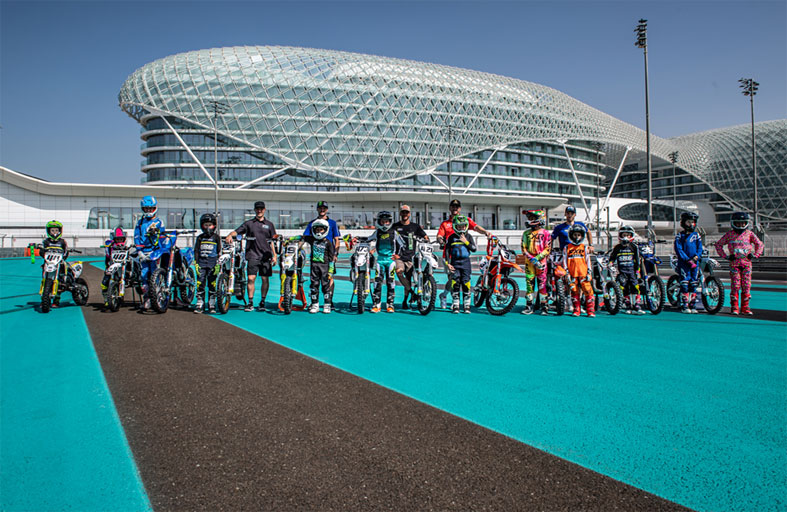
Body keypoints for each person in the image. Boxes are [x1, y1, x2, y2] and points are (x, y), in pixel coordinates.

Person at [436, 199, 491, 308]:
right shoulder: (445, 224)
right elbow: (439, 236)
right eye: (453, 206)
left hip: (462, 256)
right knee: (453, 279)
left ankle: (445, 295)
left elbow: (476, 227)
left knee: (461, 279)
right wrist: (441, 241)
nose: (454, 208)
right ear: (450, 208)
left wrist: (486, 232)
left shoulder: (465, 220)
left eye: (457, 207)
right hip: (449, 256)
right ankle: (452, 300)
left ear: (460, 208)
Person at [225, 201, 277, 312]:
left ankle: (262, 301)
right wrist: (229, 235)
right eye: (257, 209)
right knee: (251, 278)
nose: (259, 211)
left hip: (266, 256)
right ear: (254, 210)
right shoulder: (249, 224)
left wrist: (275, 255)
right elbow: (237, 231)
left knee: (265, 279)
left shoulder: (270, 224)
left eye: (261, 209)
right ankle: (250, 302)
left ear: (264, 210)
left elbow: (272, 241)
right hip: (252, 255)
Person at [714, 211, 764, 315]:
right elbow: (718, 245)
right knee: (735, 285)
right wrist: (726, 256)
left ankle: (745, 307)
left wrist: (755, 255)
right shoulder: (729, 234)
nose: (740, 225)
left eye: (743, 223)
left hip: (747, 264)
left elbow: (760, 244)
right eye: (738, 223)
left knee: (746, 285)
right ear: (733, 223)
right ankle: (734, 307)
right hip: (734, 264)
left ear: (746, 223)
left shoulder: (749, 234)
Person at [303, 201, 341, 309]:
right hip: (316, 257)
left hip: (328, 256)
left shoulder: (332, 223)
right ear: (317, 209)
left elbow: (337, 240)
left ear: (327, 209)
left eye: (324, 208)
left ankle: (329, 301)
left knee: (329, 278)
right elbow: (305, 237)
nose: (322, 210)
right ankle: (314, 302)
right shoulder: (312, 223)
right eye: (320, 208)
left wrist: (335, 254)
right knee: (314, 281)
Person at [392, 205, 428, 309]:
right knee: (399, 272)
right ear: (400, 213)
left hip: (411, 257)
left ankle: (405, 300)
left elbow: (425, 237)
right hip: (399, 257)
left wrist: (426, 240)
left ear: (409, 214)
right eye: (403, 212)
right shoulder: (395, 226)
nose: (405, 214)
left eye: (406, 212)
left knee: (408, 279)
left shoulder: (415, 226)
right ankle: (413, 293)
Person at [368, 211, 404, 313]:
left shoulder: (394, 232)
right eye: (383, 221)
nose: (384, 224)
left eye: (387, 221)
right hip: (380, 261)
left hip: (390, 261)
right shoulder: (377, 232)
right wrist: (357, 239)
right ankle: (376, 304)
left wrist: (398, 255)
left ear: (390, 222)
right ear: (379, 222)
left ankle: (390, 304)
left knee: (391, 282)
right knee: (377, 282)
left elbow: (402, 244)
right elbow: (368, 239)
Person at [134, 195, 165, 310]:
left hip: (155, 251)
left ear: (155, 208)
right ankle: (147, 298)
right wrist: (139, 251)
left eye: (150, 208)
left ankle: (157, 297)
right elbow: (137, 236)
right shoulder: (140, 222)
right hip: (143, 252)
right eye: (146, 209)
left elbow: (162, 236)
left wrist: (156, 233)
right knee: (144, 275)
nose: (148, 211)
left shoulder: (159, 222)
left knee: (155, 274)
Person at [520, 209, 552, 315]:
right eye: (529, 218)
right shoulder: (526, 233)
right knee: (529, 284)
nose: (529, 220)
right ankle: (529, 305)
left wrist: (537, 258)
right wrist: (531, 258)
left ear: (540, 219)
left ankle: (544, 307)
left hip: (541, 262)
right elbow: (523, 248)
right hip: (529, 262)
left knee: (542, 284)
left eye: (532, 218)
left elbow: (548, 248)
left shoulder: (546, 233)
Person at [302, 219, 336, 314]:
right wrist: (289, 239)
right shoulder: (312, 240)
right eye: (317, 230)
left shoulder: (328, 243)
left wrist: (330, 271)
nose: (319, 232)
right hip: (314, 266)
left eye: (321, 230)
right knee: (314, 285)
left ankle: (327, 304)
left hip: (325, 267)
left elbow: (331, 259)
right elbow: (302, 237)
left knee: (325, 286)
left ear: (325, 230)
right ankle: (314, 304)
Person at [609, 225, 645, 314]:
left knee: (635, 287)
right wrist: (611, 264)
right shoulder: (617, 247)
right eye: (624, 235)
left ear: (631, 236)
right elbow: (612, 257)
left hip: (632, 271)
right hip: (622, 271)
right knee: (624, 287)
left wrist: (637, 270)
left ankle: (637, 305)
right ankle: (628, 305)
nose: (626, 237)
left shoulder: (634, 247)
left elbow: (637, 260)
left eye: (628, 235)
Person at [445, 215, 477, 314]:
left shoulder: (469, 236)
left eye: (463, 226)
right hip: (455, 263)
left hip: (466, 263)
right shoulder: (451, 237)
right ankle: (456, 305)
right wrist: (448, 263)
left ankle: (467, 305)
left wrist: (466, 242)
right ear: (455, 226)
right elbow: (447, 251)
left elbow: (474, 249)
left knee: (466, 283)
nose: (461, 228)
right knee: (455, 283)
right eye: (459, 226)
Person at [563, 224, 595, 318]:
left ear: (582, 236)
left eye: (579, 235)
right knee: (574, 291)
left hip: (583, 274)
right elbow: (565, 261)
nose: (577, 237)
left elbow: (588, 261)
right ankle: (576, 310)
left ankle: (590, 311)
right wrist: (567, 273)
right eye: (575, 235)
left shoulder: (584, 247)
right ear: (571, 235)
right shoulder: (567, 248)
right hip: (572, 274)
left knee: (588, 291)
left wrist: (589, 272)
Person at [674, 211, 703, 314]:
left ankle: (693, 304)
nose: (691, 224)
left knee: (694, 284)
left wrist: (696, 257)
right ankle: (684, 305)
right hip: (684, 263)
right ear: (683, 223)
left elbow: (700, 248)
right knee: (685, 283)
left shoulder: (696, 235)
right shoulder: (680, 236)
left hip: (695, 262)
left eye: (693, 222)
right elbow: (678, 249)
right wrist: (686, 259)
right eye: (688, 222)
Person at [194, 213, 221, 314]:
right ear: (202, 226)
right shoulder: (200, 237)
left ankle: (211, 303)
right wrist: (196, 263)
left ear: (214, 225)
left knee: (212, 283)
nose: (208, 227)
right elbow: (196, 251)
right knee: (200, 283)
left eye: (210, 225)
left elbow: (219, 251)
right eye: (206, 225)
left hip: (212, 263)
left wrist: (218, 264)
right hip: (201, 263)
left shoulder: (216, 237)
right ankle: (200, 303)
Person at [40, 220, 69, 308]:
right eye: (52, 230)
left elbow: (66, 252)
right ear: (48, 231)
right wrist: (42, 253)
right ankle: (43, 300)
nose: (54, 232)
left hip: (59, 262)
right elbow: (42, 251)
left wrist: (63, 258)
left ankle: (57, 299)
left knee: (61, 279)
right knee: (45, 278)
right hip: (49, 263)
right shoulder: (46, 242)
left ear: (60, 231)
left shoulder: (62, 242)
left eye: (56, 230)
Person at [101, 227, 128, 307]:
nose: (119, 241)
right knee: (104, 282)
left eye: (121, 239)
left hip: (123, 267)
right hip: (111, 266)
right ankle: (106, 298)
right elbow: (107, 255)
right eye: (117, 239)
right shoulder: (109, 245)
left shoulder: (126, 247)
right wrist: (108, 246)